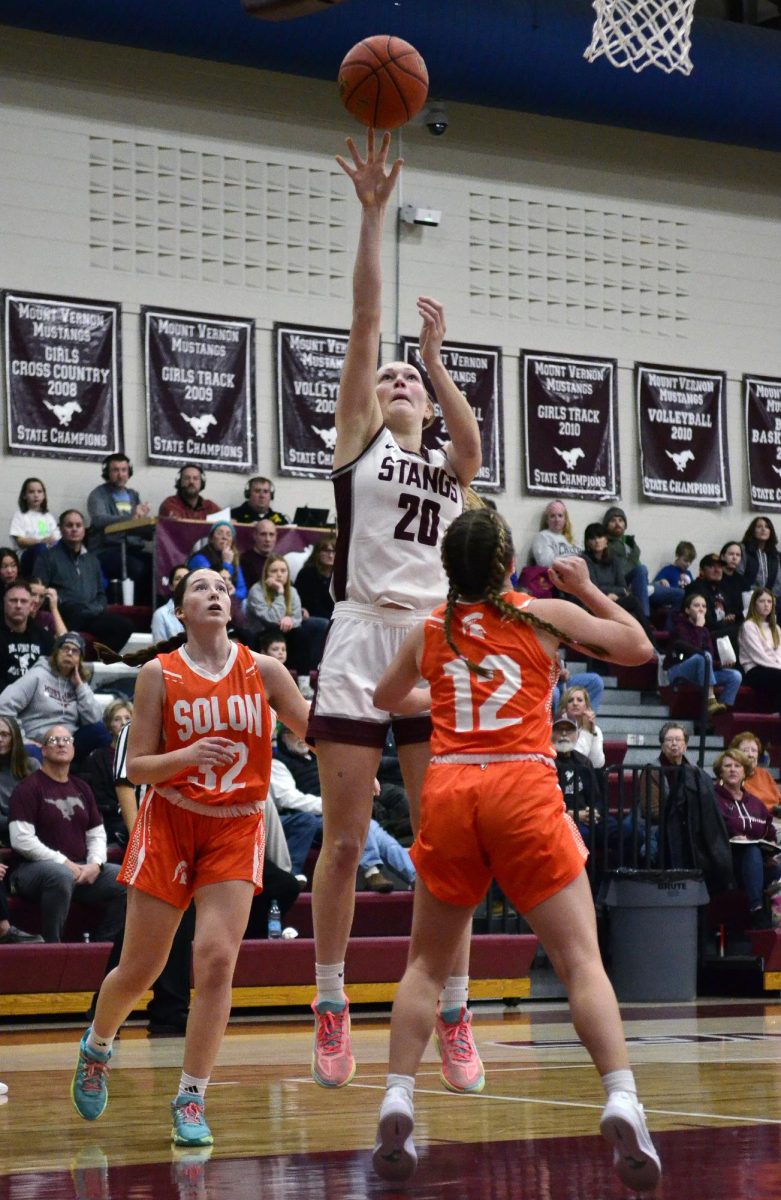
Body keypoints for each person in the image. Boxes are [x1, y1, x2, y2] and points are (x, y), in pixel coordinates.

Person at [369, 509, 660, 1191]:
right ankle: (620, 1096)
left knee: (424, 965)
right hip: (521, 782)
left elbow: (387, 698)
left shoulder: (431, 629)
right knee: (579, 959)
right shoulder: (540, 613)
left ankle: (396, 1095)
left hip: (450, 789)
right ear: (507, 566)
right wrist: (586, 586)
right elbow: (638, 647)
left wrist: (442, 695)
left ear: (448, 568)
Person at [305, 131, 482, 1092]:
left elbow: (473, 441)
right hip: (360, 631)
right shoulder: (361, 442)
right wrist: (373, 214)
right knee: (343, 835)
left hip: (433, 642)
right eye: (389, 379)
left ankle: (452, 1013)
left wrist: (435, 358)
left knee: (440, 841)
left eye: (405, 379)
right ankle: (331, 997)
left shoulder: (448, 467)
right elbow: (365, 319)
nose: (397, 382)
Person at [70, 567, 311, 1146]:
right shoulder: (158, 673)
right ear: (180, 611)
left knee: (217, 961)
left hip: (236, 824)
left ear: (232, 609)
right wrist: (191, 755)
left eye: (222, 589)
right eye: (201, 587)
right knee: (141, 968)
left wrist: (354, 774)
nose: (215, 594)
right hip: (172, 820)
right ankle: (98, 1045)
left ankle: (192, 1097)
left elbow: (315, 731)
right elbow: (137, 766)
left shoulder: (266, 670)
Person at [8, 724, 126, 943]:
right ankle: (53, 947)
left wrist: (96, 864)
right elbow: (21, 839)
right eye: (54, 740)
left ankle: (103, 947)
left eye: (66, 740)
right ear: (43, 750)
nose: (61, 744)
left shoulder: (82, 787)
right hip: (31, 872)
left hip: (79, 868)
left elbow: (97, 834)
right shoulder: (28, 788)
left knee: (124, 881)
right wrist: (63, 862)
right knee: (59, 875)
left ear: (73, 748)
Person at [273, 725, 416, 890]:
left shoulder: (319, 758)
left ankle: (415, 877)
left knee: (380, 834)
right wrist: (332, 806)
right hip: (310, 818)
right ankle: (371, 870)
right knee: (355, 821)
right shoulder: (278, 763)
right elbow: (290, 800)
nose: (300, 737)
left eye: (303, 733)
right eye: (293, 733)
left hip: (337, 812)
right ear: (283, 738)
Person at [640, 724, 733, 887]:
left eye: (678, 739)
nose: (674, 744)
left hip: (692, 826)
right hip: (661, 826)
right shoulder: (652, 770)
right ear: (662, 744)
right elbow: (652, 810)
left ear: (686, 744)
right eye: (669, 740)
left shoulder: (695, 771)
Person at [37, 510, 134, 653]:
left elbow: (101, 594)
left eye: (78, 525)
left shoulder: (92, 560)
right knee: (76, 610)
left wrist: (98, 607)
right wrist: (63, 603)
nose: (74, 529)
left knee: (125, 625)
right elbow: (40, 591)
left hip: (90, 615)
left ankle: (99, 658)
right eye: (69, 525)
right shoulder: (47, 557)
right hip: (65, 613)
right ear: (61, 529)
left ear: (84, 530)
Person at [0, 632, 108, 759]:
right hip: (39, 744)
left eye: (75, 651)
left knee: (100, 731)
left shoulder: (79, 685)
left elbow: (94, 719)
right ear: (56, 653)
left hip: (67, 743)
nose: (69, 653)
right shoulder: (37, 675)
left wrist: (80, 686)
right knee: (31, 753)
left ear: (80, 659)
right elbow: (3, 704)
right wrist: (23, 739)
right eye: (65, 648)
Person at [712, 748, 780, 929]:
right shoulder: (712, 798)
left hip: (758, 864)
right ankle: (756, 909)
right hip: (726, 864)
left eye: (737, 766)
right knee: (751, 850)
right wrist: (733, 836)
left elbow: (769, 832)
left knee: (769, 862)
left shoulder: (755, 803)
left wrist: (771, 849)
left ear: (745, 772)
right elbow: (711, 831)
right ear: (720, 771)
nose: (732, 769)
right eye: (727, 766)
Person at [87, 453, 153, 603]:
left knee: (154, 564)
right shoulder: (98, 495)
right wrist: (131, 517)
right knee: (136, 567)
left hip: (132, 548)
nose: (120, 474)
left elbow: (137, 523)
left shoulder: (133, 495)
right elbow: (99, 520)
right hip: (106, 550)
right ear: (107, 473)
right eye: (115, 470)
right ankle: (134, 607)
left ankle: (149, 609)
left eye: (124, 470)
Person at [246, 555, 326, 674]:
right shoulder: (256, 590)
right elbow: (272, 619)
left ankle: (304, 681)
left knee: (302, 633)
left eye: (283, 571)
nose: (279, 574)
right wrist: (280, 592)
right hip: (262, 633)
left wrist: (290, 620)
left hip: (285, 632)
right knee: (275, 633)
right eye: (274, 571)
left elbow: (297, 617)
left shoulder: (292, 591)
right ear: (266, 574)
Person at [664, 592, 742, 715]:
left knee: (735, 676)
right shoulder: (679, 627)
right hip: (679, 670)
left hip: (702, 670)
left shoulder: (705, 631)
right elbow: (693, 653)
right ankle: (711, 701)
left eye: (704, 606)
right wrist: (698, 628)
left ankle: (719, 714)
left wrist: (722, 665)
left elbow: (708, 656)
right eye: (696, 605)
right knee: (702, 658)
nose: (701, 609)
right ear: (687, 610)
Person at [77, 701, 135, 848]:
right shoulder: (98, 757)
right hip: (115, 818)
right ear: (109, 726)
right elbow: (99, 797)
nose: (123, 723)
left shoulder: (143, 754)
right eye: (117, 719)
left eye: (128, 718)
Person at [0, 580, 54, 690]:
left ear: (31, 606)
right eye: (13, 601)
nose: (18, 606)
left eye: (23, 601)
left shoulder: (45, 638)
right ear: (4, 603)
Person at [684, 552, 743, 641]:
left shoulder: (722, 590)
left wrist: (731, 618)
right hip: (704, 634)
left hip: (723, 631)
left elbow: (731, 614)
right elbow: (706, 623)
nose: (717, 570)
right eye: (712, 566)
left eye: (719, 567)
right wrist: (725, 622)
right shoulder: (696, 588)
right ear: (701, 571)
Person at [0, 715, 38, 848]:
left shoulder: (32, 765)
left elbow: (45, 804)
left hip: (36, 835)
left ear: (15, 738)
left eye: (4, 734)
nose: (0, 739)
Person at [737, 587, 781, 704]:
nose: (766, 605)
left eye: (769, 601)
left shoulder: (776, 628)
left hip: (774, 669)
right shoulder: (749, 626)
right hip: (755, 670)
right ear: (754, 604)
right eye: (762, 601)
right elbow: (758, 655)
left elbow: (779, 654)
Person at [187, 521, 247, 605]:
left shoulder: (233, 558)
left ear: (232, 541)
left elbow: (242, 590)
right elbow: (212, 584)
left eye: (228, 535)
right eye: (220, 533)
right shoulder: (200, 558)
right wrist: (226, 563)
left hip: (229, 599)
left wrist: (233, 594)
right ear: (211, 539)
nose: (224, 537)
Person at [729, 731, 781, 818]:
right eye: (745, 750)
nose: (750, 755)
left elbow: (779, 799)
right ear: (735, 754)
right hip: (757, 821)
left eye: (754, 751)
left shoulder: (764, 774)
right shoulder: (732, 777)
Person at [9, 477, 59, 567]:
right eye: (31, 492)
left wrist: (53, 540)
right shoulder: (19, 515)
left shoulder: (47, 516)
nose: (36, 495)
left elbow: (56, 538)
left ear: (44, 495)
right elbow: (20, 541)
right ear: (24, 495)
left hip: (47, 553)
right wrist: (40, 541)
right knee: (41, 548)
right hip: (26, 556)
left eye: (39, 492)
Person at [557, 685, 605, 767]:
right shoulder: (558, 728)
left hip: (585, 776)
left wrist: (591, 732)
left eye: (579, 700)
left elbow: (597, 763)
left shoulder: (595, 729)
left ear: (586, 706)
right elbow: (571, 760)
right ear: (565, 707)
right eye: (570, 700)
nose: (575, 703)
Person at [293, 536, 336, 621]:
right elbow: (304, 603)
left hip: (335, 619)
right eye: (326, 551)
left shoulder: (341, 576)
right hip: (310, 618)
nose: (331, 555)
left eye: (334, 551)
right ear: (318, 553)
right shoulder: (307, 573)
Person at [530, 501, 582, 567]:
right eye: (552, 516)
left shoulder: (574, 539)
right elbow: (546, 563)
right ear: (547, 520)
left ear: (565, 519)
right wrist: (573, 562)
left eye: (560, 516)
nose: (557, 520)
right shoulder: (542, 537)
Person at [739, 515, 781, 596]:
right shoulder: (743, 550)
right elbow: (739, 576)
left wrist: (770, 597)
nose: (763, 529)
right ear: (753, 530)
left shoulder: (775, 555)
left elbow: (778, 581)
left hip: (771, 600)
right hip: (747, 597)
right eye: (759, 527)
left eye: (767, 527)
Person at [151, 564, 189, 643]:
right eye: (178, 578)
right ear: (171, 586)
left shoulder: (199, 611)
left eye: (186, 578)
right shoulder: (161, 614)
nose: (182, 582)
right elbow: (159, 649)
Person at [239, 519, 278, 591]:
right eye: (263, 534)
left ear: (276, 537)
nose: (268, 539)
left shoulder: (279, 561)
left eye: (271, 534)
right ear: (255, 535)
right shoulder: (244, 560)